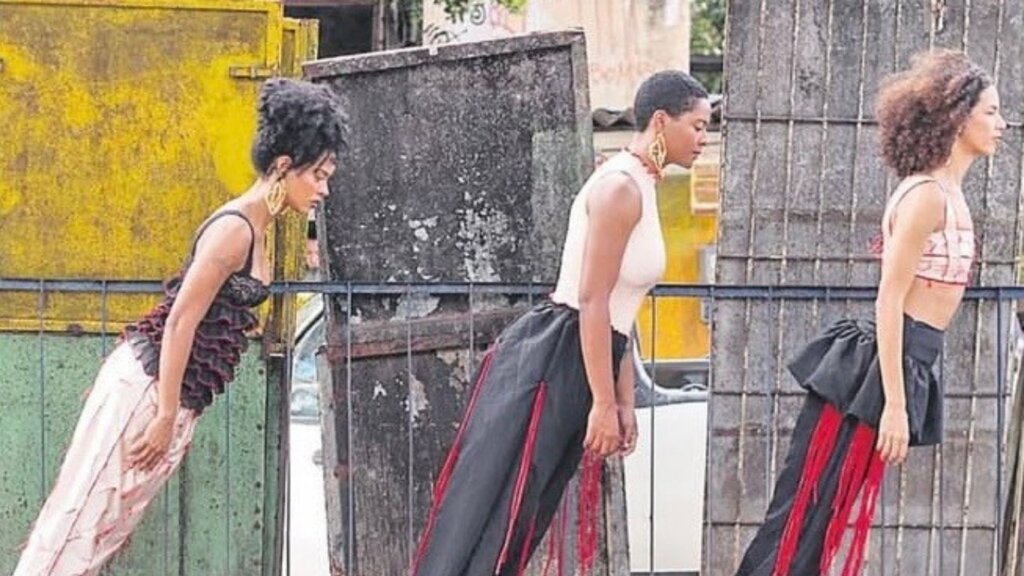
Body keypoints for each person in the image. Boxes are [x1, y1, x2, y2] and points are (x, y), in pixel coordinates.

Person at [14, 77, 347, 576]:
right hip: (148, 390)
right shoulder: (235, 228)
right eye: (317, 175)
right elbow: (179, 322)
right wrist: (165, 414)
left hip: (171, 395)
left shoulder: (260, 225)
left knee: (99, 536)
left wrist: (176, 411)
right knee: (72, 534)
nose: (323, 189)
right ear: (284, 166)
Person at [410, 70, 712, 576]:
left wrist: (623, 399)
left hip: (588, 352)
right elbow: (592, 301)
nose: (703, 138)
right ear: (661, 121)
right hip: (560, 356)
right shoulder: (621, 188)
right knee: (498, 517)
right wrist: (602, 403)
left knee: (525, 517)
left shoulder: (643, 183)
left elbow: (621, 311)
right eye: (698, 126)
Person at [735, 49, 1006, 576]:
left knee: (823, 521)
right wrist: (896, 407)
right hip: (879, 367)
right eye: (991, 112)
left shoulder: (948, 192)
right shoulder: (927, 195)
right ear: (958, 118)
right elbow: (889, 298)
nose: (1002, 124)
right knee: (805, 518)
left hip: (908, 359)